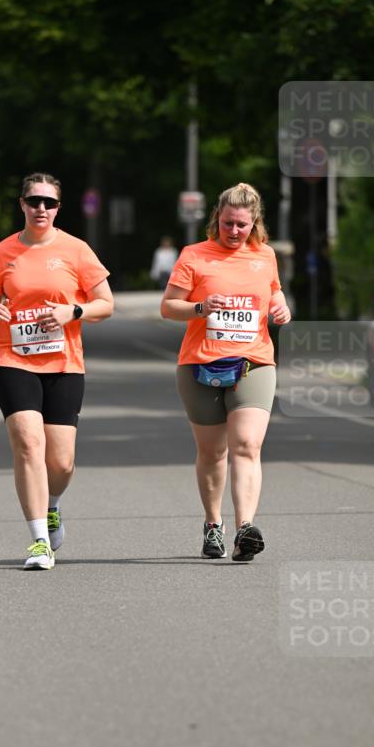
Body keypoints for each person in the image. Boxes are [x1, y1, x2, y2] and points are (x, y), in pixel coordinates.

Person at [0, 172, 113, 569]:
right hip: (12, 359)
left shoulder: (76, 250)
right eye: (34, 201)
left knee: (62, 462)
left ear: (58, 208)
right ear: (22, 204)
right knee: (28, 445)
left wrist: (74, 311)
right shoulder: (2, 252)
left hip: (64, 363)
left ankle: (51, 505)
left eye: (49, 203)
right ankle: (38, 540)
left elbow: (105, 303)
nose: (41, 208)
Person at [160, 182, 290, 562]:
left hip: (254, 362)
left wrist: (282, 307)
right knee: (213, 452)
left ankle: (245, 529)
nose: (234, 232)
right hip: (200, 363)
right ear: (218, 219)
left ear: (255, 224)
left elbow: (275, 291)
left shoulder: (264, 256)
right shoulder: (194, 255)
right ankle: (213, 524)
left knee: (247, 445)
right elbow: (169, 307)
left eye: (242, 225)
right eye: (229, 224)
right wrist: (201, 307)